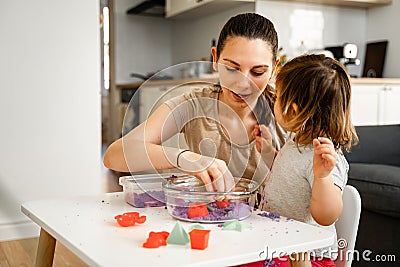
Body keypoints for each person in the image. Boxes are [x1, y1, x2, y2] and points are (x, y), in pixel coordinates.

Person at [103, 13, 287, 192]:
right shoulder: (193, 105)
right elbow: (114, 155)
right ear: (214, 59)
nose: (242, 83)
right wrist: (184, 158)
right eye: (231, 68)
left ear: (273, 69)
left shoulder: (292, 110)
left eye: (258, 72)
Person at [244, 54, 359, 267]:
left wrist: (323, 178)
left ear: (294, 110)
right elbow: (290, 175)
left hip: (309, 258)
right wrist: (269, 152)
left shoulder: (325, 161)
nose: (274, 100)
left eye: (278, 96)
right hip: (282, 246)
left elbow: (327, 215)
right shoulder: (297, 140)